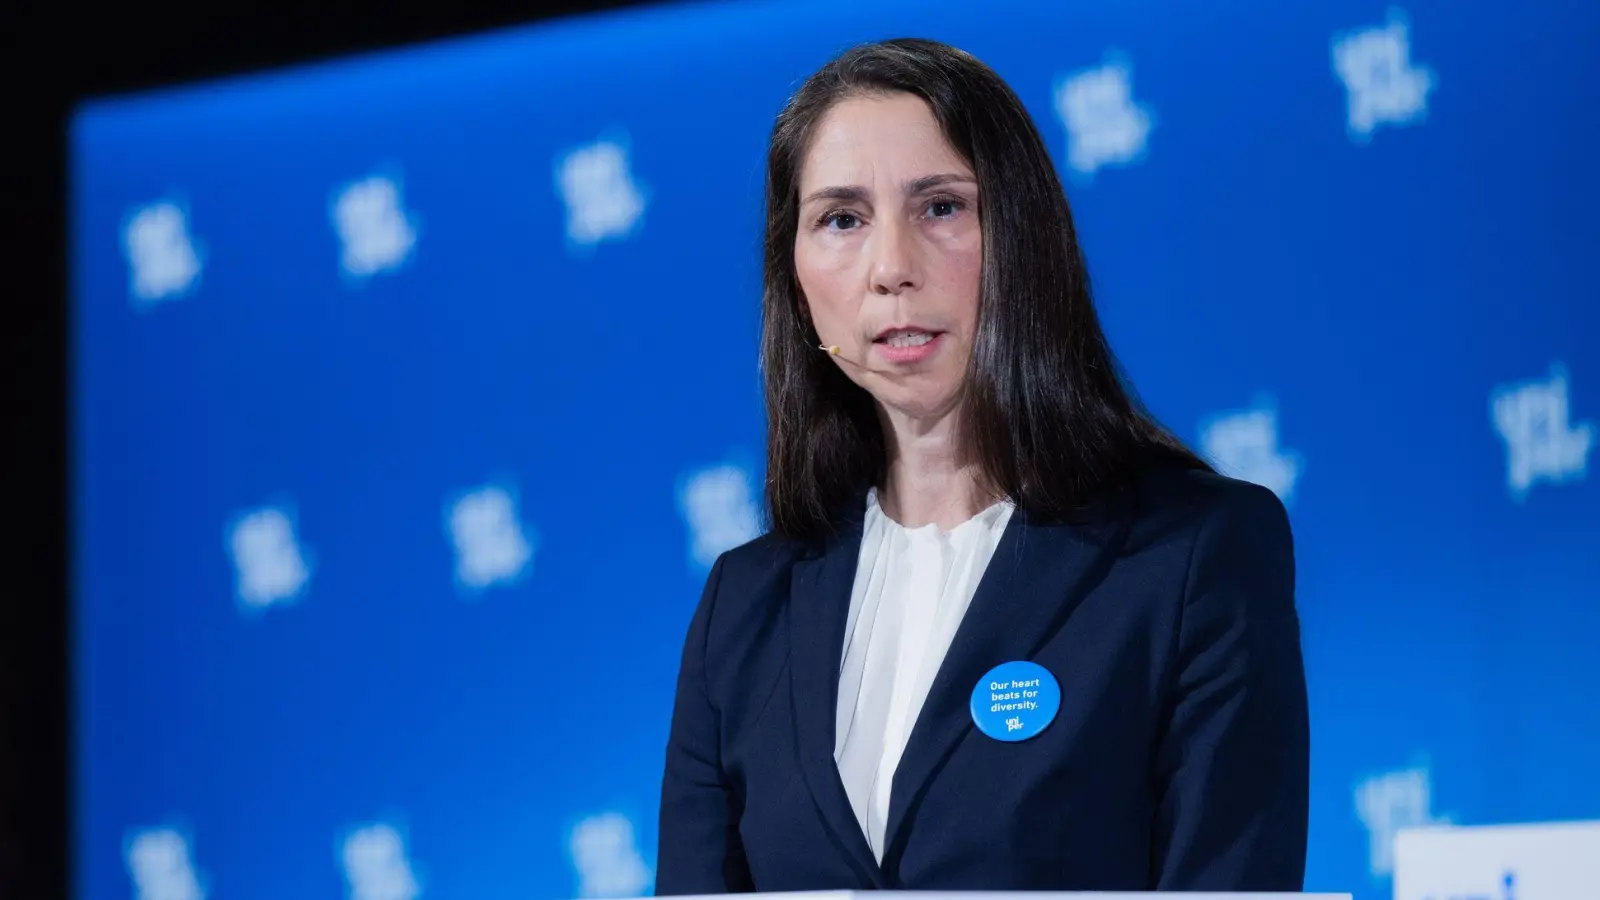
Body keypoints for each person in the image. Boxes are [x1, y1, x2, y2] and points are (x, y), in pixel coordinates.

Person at [656, 37, 1309, 894]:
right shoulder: (742, 608)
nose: (891, 269)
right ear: (797, 277)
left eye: (940, 208)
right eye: (841, 219)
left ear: (1024, 237)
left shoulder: (1194, 554)